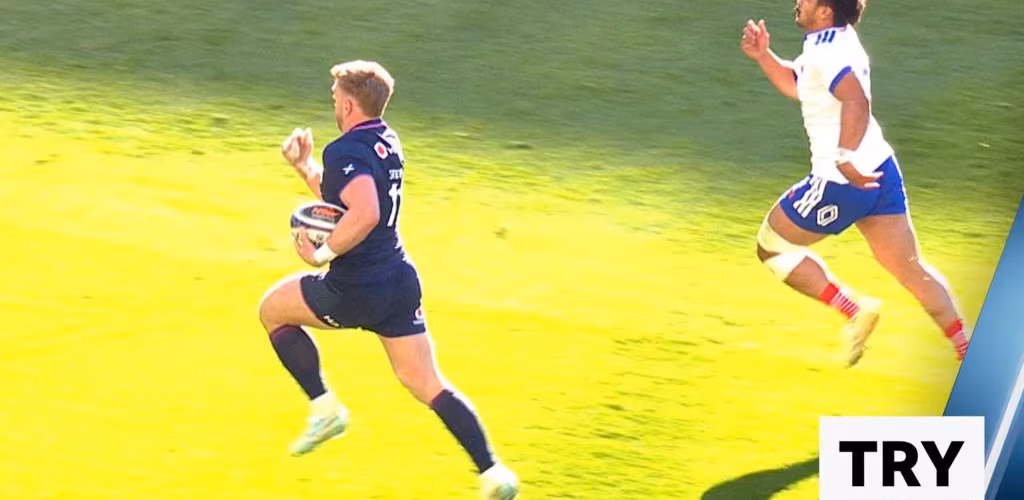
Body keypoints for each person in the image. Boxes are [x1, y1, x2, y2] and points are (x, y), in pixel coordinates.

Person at [259, 60, 519, 499]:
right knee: (427, 383)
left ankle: (325, 409)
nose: (333, 105)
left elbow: (364, 212)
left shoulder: (343, 150)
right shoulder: (387, 140)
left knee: (272, 310)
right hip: (399, 281)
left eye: (335, 98)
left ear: (347, 104)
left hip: (356, 288)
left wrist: (320, 254)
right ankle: (493, 473)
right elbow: (346, 197)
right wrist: (304, 166)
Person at [740, 0, 970, 366]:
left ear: (825, 11)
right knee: (911, 269)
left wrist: (844, 157)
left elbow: (856, 101)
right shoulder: (837, 39)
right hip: (880, 172)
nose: (799, 2)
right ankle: (967, 350)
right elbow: (801, 84)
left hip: (839, 182)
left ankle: (854, 310)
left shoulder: (825, 50)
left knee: (772, 247)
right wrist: (764, 56)